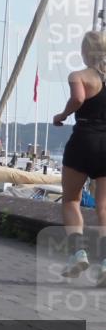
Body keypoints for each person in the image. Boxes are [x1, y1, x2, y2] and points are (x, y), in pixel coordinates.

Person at [54, 30, 106, 287]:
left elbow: (78, 98)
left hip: (83, 140)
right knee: (104, 206)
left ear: (85, 52)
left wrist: (62, 115)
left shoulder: (78, 76)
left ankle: (78, 253)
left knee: (71, 199)